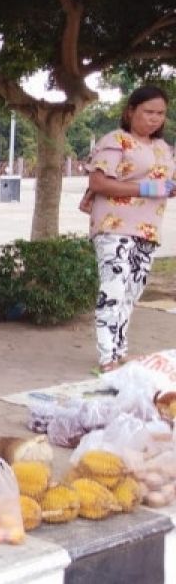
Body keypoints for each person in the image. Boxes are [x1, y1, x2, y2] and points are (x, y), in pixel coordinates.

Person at [86, 85, 176, 372]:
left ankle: (120, 350)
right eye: (148, 112)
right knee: (113, 287)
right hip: (115, 224)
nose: (154, 119)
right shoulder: (116, 140)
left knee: (131, 291)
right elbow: (98, 183)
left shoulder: (163, 148)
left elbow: (167, 184)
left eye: (160, 113)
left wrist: (168, 188)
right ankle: (106, 357)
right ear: (130, 111)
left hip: (148, 227)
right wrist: (147, 187)